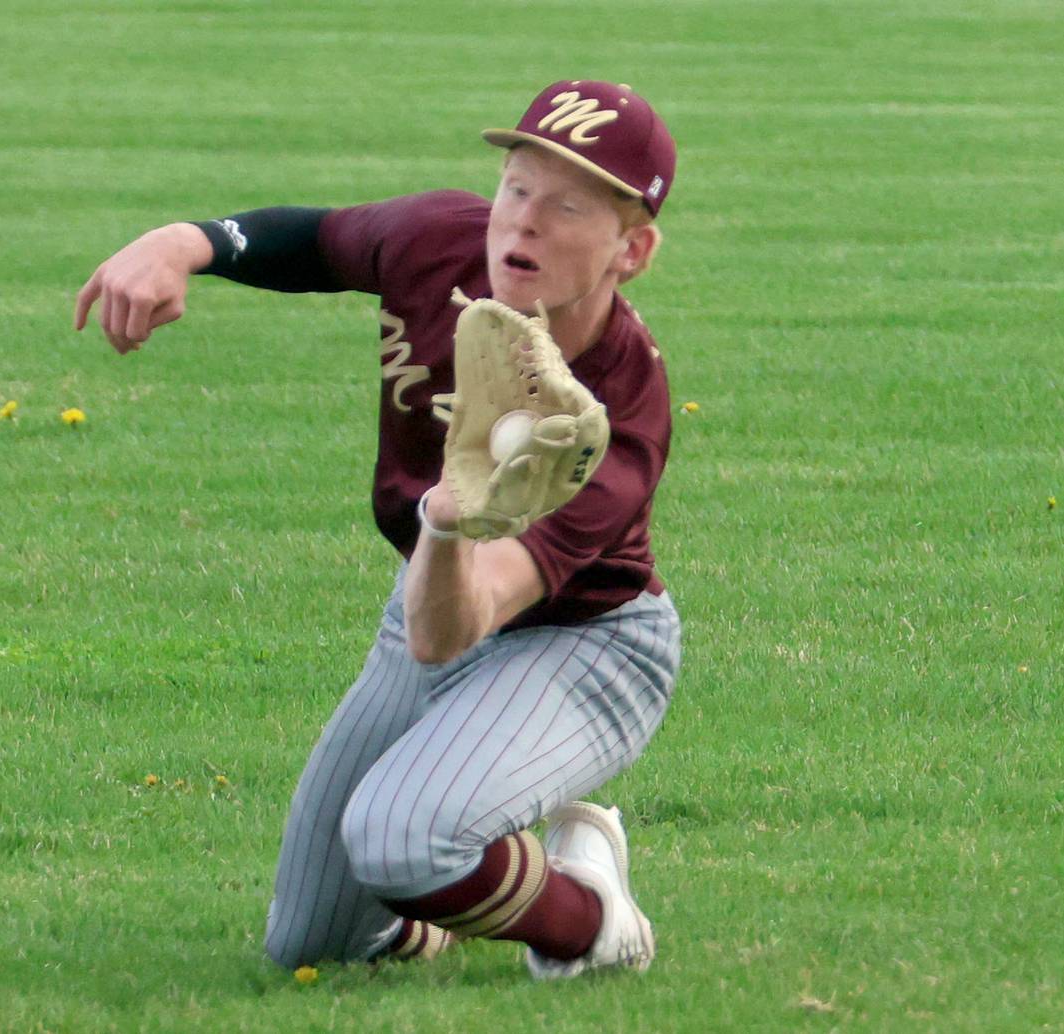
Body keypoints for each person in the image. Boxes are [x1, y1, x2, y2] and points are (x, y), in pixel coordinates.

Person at [74, 80, 682, 980]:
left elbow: (454, 631)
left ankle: (590, 916)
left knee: (402, 838)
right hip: (430, 611)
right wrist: (177, 245)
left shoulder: (622, 412)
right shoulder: (438, 241)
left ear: (631, 248)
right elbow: (312, 240)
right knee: (308, 945)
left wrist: (448, 516)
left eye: (569, 205)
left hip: (585, 645)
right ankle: (425, 921)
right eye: (517, 187)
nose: (524, 222)